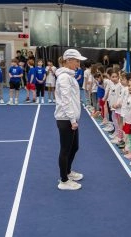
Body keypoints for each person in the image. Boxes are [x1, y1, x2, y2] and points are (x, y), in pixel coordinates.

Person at [55, 49, 87, 190]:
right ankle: (64, 180)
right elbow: (66, 100)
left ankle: (67, 172)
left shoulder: (70, 76)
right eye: (77, 61)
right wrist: (73, 120)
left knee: (74, 147)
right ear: (68, 61)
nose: (79, 64)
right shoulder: (64, 77)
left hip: (71, 118)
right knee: (65, 149)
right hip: (66, 119)